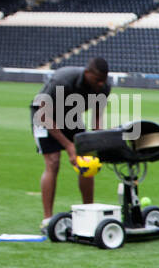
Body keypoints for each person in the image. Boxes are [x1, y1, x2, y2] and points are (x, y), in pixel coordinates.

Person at [31, 57, 110, 227]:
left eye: (104, 80)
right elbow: (44, 115)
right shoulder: (63, 80)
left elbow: (97, 116)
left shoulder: (103, 87)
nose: (101, 84)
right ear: (87, 73)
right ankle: (48, 219)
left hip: (71, 117)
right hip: (44, 116)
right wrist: (69, 146)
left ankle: (89, 212)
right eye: (98, 80)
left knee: (87, 162)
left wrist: (97, 143)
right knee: (53, 162)